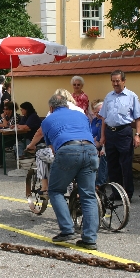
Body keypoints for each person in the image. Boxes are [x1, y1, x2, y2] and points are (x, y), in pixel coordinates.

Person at [41, 93, 99, 250]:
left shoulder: (47, 120)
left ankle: (67, 230)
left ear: (51, 108)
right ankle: (89, 239)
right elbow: (88, 135)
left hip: (68, 150)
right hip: (91, 150)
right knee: (88, 195)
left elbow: (52, 148)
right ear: (67, 105)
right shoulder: (80, 114)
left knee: (55, 190)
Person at [99, 70, 140, 201]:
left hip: (124, 133)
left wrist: (137, 135)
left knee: (126, 164)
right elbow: (103, 118)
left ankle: (128, 194)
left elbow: (138, 117)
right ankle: (116, 192)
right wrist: (103, 136)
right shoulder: (108, 97)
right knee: (112, 165)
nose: (115, 83)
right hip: (110, 133)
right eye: (113, 81)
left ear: (124, 81)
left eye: (118, 81)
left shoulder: (132, 96)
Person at [0, 101, 20, 168]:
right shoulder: (7, 117)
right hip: (4, 135)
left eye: (5, 109)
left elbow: (6, 125)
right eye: (4, 109)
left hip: (13, 137)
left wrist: (4, 118)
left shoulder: (15, 117)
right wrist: (3, 123)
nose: (4, 110)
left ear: (10, 110)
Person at [90, 99, 108, 187]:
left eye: (100, 111)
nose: (98, 114)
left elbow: (104, 137)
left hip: (104, 145)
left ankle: (100, 183)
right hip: (95, 144)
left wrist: (102, 148)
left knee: (104, 156)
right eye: (96, 112)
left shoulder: (105, 121)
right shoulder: (94, 121)